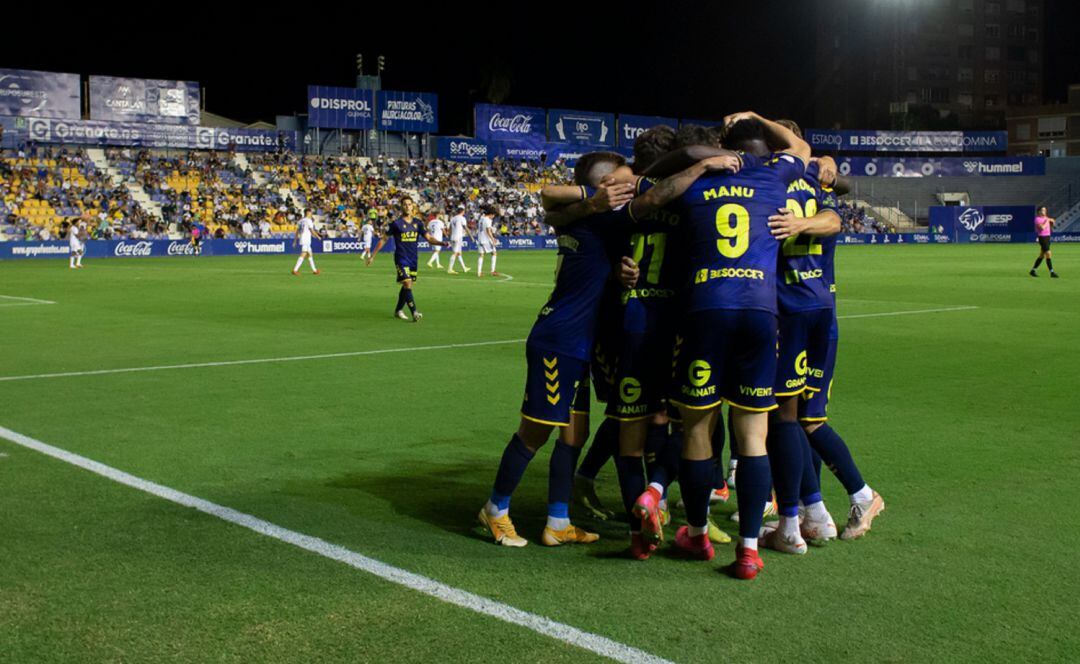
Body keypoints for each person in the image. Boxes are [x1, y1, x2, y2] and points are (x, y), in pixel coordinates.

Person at [477, 151, 730, 549]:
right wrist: (699, 167)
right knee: (534, 433)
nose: (633, 188)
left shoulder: (587, 217)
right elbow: (652, 199)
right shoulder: (602, 215)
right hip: (559, 340)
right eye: (626, 182)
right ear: (605, 187)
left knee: (574, 437)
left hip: (578, 343)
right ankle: (496, 508)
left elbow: (552, 207)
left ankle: (557, 521)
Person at [663, 111, 810, 579]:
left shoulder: (696, 182)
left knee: (697, 430)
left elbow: (656, 173)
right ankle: (748, 550)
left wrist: (702, 162)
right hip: (759, 313)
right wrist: (761, 117)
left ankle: (698, 534)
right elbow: (802, 150)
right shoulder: (775, 178)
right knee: (752, 437)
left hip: (706, 310)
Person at [796, 156, 885, 542]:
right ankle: (807, 505)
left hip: (815, 320)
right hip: (793, 317)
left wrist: (824, 166)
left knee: (808, 418)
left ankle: (862, 495)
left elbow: (840, 186)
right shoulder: (788, 189)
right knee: (793, 417)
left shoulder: (816, 191)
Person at [367, 198, 448, 322]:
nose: (407, 206)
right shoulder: (396, 224)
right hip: (401, 258)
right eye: (404, 204)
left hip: (413, 259)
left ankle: (398, 310)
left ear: (412, 207)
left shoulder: (418, 223)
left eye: (409, 204)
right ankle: (414, 312)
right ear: (401, 207)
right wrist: (372, 256)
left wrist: (441, 243)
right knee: (407, 283)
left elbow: (429, 238)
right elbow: (383, 239)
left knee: (406, 286)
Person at [1030, 206, 1058, 278]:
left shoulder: (1046, 218)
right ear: (1039, 211)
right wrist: (1047, 221)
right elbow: (1042, 228)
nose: (1044, 211)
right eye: (1043, 210)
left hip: (1047, 237)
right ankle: (1052, 272)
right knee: (1048, 253)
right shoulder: (1037, 219)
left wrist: (1052, 223)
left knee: (1042, 255)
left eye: (1045, 210)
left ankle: (1033, 270)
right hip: (1042, 237)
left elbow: (1051, 228)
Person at [292, 209, 321, 275]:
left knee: (310, 254)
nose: (311, 214)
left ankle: (315, 270)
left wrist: (295, 241)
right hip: (306, 239)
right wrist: (317, 236)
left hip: (303, 239)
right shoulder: (308, 220)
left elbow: (297, 232)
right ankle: (295, 270)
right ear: (307, 213)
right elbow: (311, 230)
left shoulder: (300, 221)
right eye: (311, 213)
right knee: (304, 254)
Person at [447, 206, 471, 274]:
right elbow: (465, 227)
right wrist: (471, 236)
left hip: (453, 236)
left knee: (459, 253)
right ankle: (450, 269)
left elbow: (450, 229)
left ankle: (464, 268)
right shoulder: (462, 218)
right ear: (462, 212)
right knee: (455, 253)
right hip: (458, 237)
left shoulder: (453, 218)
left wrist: (450, 238)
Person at [476, 208, 499, 277]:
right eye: (493, 215)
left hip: (480, 238)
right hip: (486, 239)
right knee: (494, 253)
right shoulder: (488, 220)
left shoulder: (481, 218)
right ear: (491, 214)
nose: (493, 217)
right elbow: (488, 231)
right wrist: (493, 239)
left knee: (481, 255)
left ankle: (479, 272)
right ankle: (492, 271)